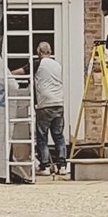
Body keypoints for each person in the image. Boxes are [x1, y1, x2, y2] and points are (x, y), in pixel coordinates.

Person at [31, 41, 67, 174]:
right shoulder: (57, 65)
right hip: (59, 102)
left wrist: (7, 74)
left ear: (39, 52)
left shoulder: (38, 63)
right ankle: (62, 166)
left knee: (42, 136)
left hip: (44, 104)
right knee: (58, 135)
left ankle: (45, 166)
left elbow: (22, 71)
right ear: (50, 52)